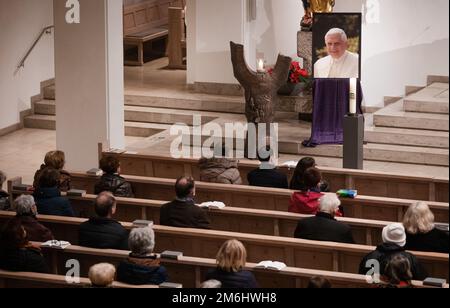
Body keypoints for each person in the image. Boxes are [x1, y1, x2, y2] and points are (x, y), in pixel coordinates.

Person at [359, 223, 427, 281]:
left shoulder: (370, 257)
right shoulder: (411, 259)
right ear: (402, 240)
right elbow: (422, 279)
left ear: (384, 237)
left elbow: (362, 279)